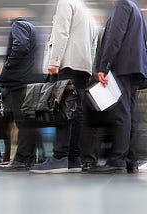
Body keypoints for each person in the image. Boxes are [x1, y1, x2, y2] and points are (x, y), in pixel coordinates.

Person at [29, 0, 98, 173]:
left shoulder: (66, 2)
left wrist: (54, 61)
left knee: (63, 111)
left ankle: (59, 157)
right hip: (83, 67)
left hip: (68, 64)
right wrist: (91, 68)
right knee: (77, 113)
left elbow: (61, 32)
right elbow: (95, 40)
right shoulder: (86, 9)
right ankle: (74, 158)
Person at [88, 0, 147, 174]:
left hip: (123, 67)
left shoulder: (122, 5)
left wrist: (103, 66)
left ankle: (117, 160)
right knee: (131, 114)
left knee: (122, 114)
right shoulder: (135, 7)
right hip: (135, 68)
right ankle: (131, 160)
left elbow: (115, 36)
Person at [0, 17, 44, 170]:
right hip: (30, 79)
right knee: (28, 121)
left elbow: (20, 46)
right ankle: (27, 158)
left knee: (22, 121)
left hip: (19, 81)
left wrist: (7, 67)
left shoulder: (18, 25)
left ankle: (22, 159)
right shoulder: (34, 29)